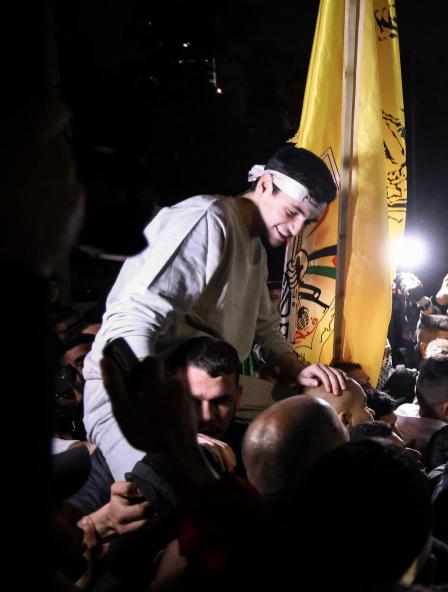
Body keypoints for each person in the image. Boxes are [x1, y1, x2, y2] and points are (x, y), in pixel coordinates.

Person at [83, 145, 348, 480]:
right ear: (265, 184)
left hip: (209, 392)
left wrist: (297, 369)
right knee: (176, 491)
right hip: (131, 392)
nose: (297, 230)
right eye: (292, 212)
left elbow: (264, 330)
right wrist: (167, 424)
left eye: (307, 221)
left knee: (315, 415)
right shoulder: (208, 219)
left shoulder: (256, 247)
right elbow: (131, 320)